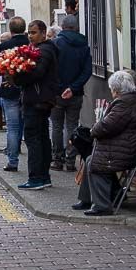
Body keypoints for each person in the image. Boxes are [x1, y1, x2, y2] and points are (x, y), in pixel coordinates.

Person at [73, 70, 136, 216]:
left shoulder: (124, 104)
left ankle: (102, 205)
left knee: (95, 161)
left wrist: (93, 130)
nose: (111, 91)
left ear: (117, 90)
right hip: (126, 146)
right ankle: (87, 200)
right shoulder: (131, 100)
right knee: (90, 159)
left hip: (125, 150)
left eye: (112, 88)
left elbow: (107, 126)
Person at [14, 20, 60, 190]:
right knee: (41, 138)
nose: (30, 36)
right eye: (29, 33)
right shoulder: (41, 49)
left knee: (33, 139)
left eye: (33, 33)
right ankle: (44, 176)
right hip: (39, 99)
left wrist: (17, 79)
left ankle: (36, 178)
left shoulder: (44, 51)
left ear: (43, 33)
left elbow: (37, 73)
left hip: (37, 100)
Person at [50, 15, 92, 172]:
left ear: (62, 26)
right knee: (72, 125)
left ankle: (57, 159)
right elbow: (87, 71)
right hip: (76, 94)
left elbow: (51, 69)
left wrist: (60, 88)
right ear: (76, 28)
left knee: (56, 126)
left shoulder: (55, 44)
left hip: (56, 94)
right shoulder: (83, 45)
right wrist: (73, 88)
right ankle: (70, 159)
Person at [0, 21, 30, 171]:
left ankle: (12, 161)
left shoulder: (5, 46)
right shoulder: (30, 45)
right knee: (26, 126)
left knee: (12, 127)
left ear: (10, 30)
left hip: (9, 90)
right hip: (27, 89)